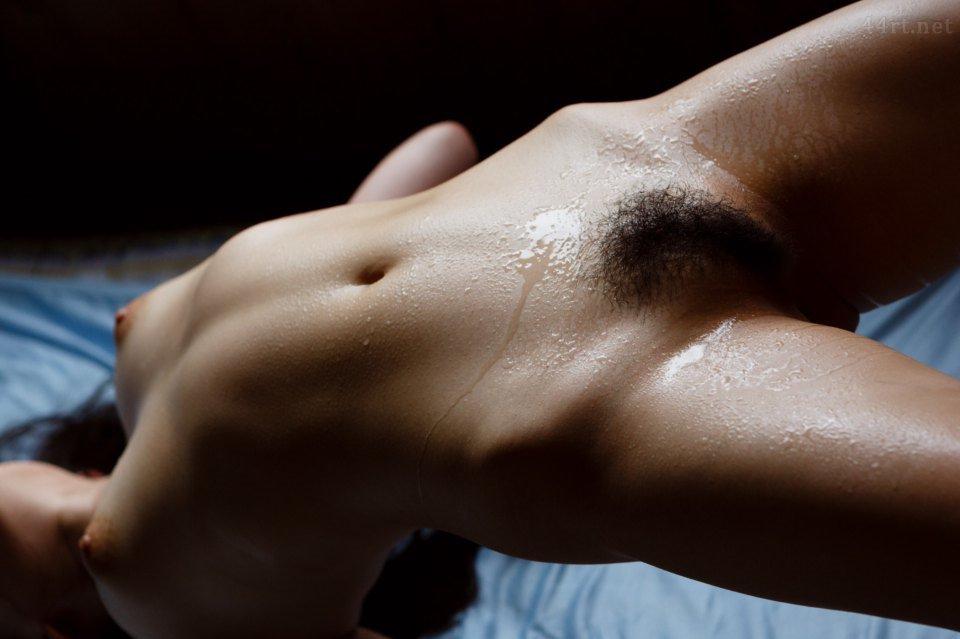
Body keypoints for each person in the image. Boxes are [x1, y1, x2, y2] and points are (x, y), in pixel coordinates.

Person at [3, 0, 960, 636]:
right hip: (598, 403)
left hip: (651, 151)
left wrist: (355, 237)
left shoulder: (146, 390)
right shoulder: (162, 604)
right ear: (52, 629)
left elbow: (441, 144)